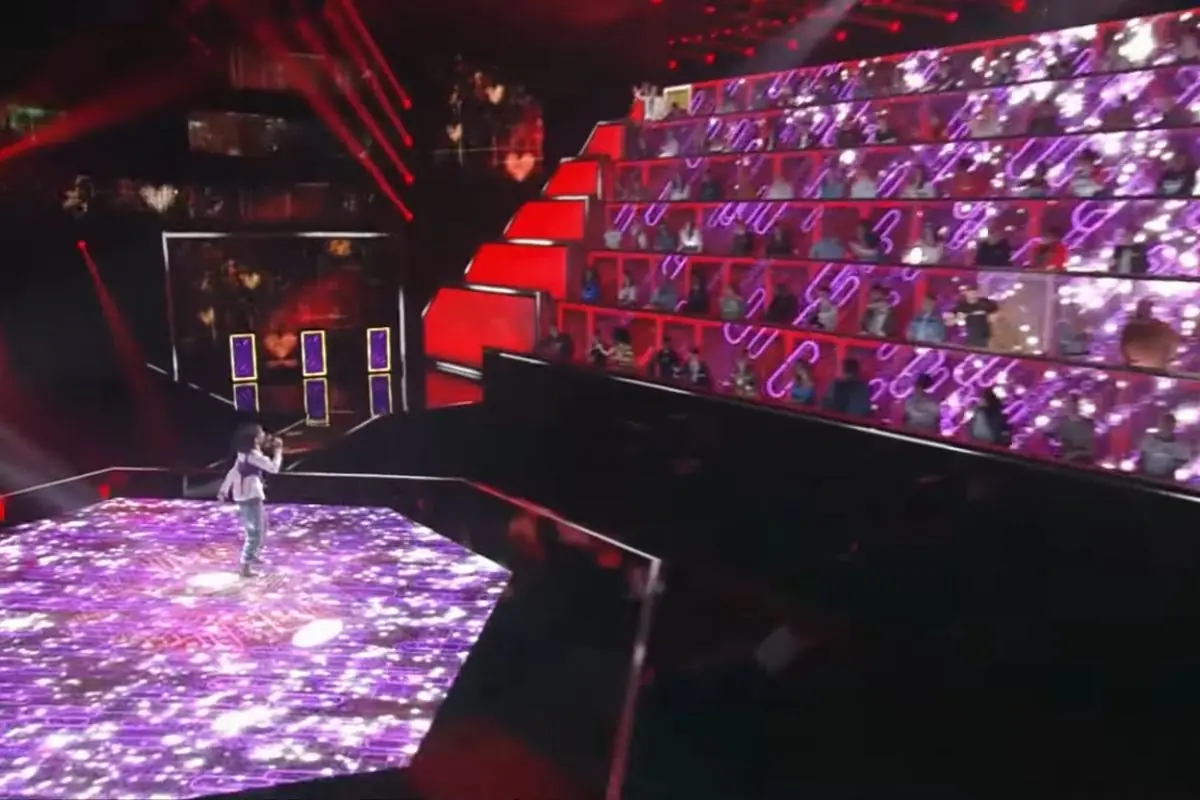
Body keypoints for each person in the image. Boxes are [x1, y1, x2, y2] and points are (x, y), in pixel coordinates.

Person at [218, 424, 283, 578]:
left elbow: (233, 471)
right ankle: (245, 567)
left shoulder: (244, 453)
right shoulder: (253, 456)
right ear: (255, 439)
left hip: (245, 494)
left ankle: (252, 555)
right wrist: (278, 451)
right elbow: (273, 468)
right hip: (250, 495)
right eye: (261, 433)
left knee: (261, 527)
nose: (264, 435)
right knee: (255, 533)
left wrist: (224, 489)